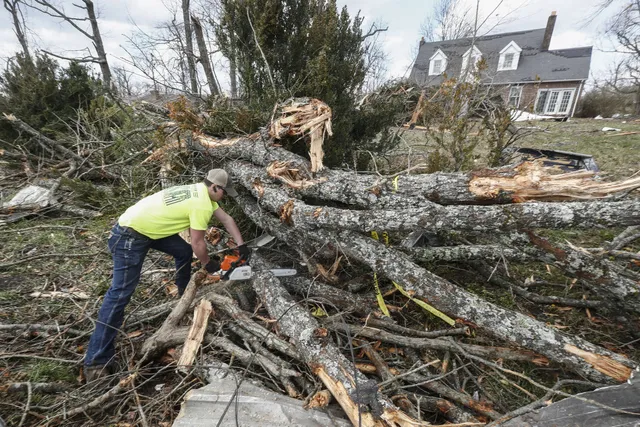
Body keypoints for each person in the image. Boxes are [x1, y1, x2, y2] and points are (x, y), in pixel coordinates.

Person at [84, 169, 249, 381]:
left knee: (182, 250)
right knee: (119, 296)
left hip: (144, 229)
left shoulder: (199, 192)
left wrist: (242, 247)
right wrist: (208, 264)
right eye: (223, 192)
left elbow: (226, 219)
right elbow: (198, 243)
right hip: (130, 236)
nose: (224, 196)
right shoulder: (200, 203)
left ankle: (184, 296)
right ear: (214, 187)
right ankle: (96, 361)